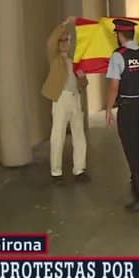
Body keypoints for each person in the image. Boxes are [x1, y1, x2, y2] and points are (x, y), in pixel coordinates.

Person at [105, 18, 139, 212]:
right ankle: (138, 185)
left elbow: (113, 86)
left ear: (119, 35)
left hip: (128, 107)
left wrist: (109, 108)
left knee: (131, 150)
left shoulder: (119, 55)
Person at [41, 16, 89, 183]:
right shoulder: (54, 58)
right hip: (60, 97)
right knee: (58, 134)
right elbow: (50, 42)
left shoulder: (73, 60)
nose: (65, 43)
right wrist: (64, 25)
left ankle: (79, 169)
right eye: (62, 40)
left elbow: (83, 82)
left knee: (79, 134)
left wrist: (82, 77)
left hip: (75, 97)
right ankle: (56, 171)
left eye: (67, 40)